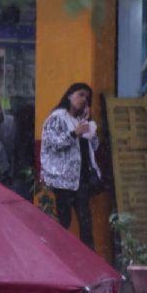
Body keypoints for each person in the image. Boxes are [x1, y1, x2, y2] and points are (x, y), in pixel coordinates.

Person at [39, 83, 102, 249]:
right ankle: (61, 258)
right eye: (80, 95)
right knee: (64, 221)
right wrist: (74, 133)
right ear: (69, 95)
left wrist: (89, 124)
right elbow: (52, 143)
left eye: (87, 98)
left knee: (86, 223)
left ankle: (90, 263)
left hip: (80, 179)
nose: (83, 100)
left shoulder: (80, 120)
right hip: (62, 180)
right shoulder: (57, 117)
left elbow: (94, 145)